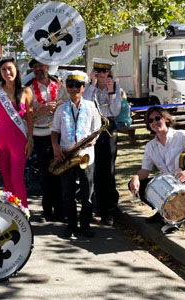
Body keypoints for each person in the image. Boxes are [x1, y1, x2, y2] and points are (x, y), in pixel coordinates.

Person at [51, 71, 101, 238]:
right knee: (68, 193)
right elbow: (55, 131)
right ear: (66, 87)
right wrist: (56, 147)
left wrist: (93, 141)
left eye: (77, 85)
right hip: (67, 155)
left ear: (83, 87)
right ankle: (71, 225)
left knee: (87, 193)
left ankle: (85, 225)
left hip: (86, 155)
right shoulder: (61, 108)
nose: (73, 89)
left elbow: (97, 130)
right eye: (70, 85)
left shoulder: (91, 106)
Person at [129, 106, 185, 222]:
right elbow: (145, 171)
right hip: (169, 185)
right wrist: (136, 177)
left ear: (166, 119)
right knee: (138, 185)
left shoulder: (182, 136)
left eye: (157, 118)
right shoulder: (150, 146)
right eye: (151, 120)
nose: (155, 122)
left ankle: (176, 214)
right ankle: (163, 211)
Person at [0, 56, 33, 208]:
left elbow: (30, 118)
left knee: (17, 179)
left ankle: (23, 213)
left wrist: (30, 141)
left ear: (16, 70)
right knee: (6, 181)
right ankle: (9, 213)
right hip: (1, 140)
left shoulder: (26, 91)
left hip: (19, 141)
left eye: (10, 68)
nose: (7, 72)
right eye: (3, 69)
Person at [83, 58, 121, 226]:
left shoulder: (115, 88)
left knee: (109, 171)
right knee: (96, 170)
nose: (102, 76)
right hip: (94, 128)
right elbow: (85, 104)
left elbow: (115, 111)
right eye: (98, 72)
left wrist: (112, 92)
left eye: (104, 72)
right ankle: (98, 207)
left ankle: (110, 209)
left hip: (109, 128)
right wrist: (91, 83)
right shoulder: (90, 88)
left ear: (109, 73)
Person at [26, 58, 65, 222]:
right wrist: (41, 109)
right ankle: (47, 210)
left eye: (40, 66)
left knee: (61, 172)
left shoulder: (60, 85)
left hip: (60, 133)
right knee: (46, 173)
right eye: (35, 67)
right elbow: (25, 115)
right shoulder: (29, 89)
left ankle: (61, 210)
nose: (38, 69)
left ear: (47, 67)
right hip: (41, 134)